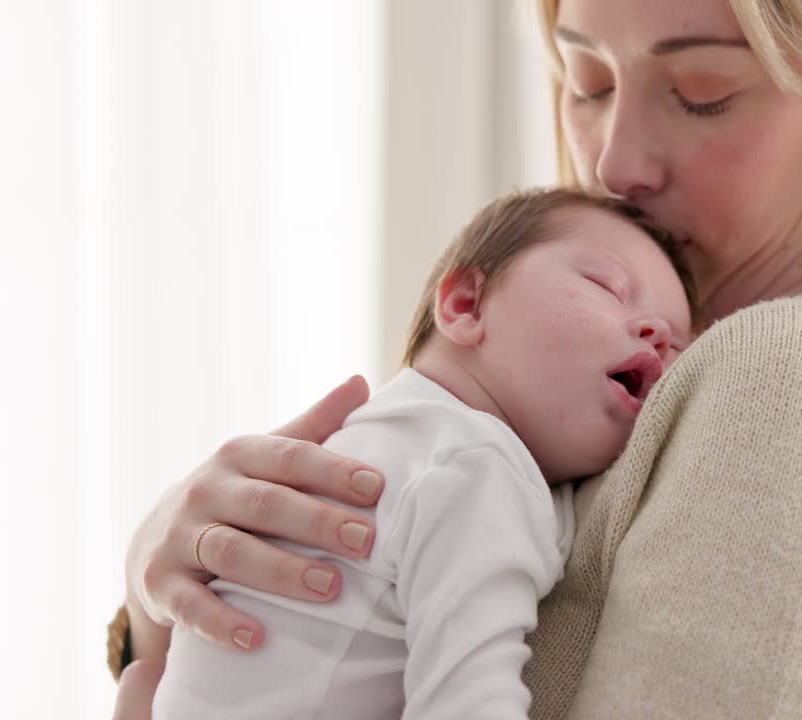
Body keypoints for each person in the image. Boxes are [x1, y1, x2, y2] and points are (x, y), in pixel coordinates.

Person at [111, 0, 802, 717]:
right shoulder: (562, 417)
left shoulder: (801, 380)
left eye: (702, 89)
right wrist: (159, 600)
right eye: (585, 81)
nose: (615, 165)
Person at [149, 188, 694, 719]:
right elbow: (466, 702)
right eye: (609, 285)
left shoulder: (400, 435)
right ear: (465, 305)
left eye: (678, 348)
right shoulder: (473, 464)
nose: (657, 334)